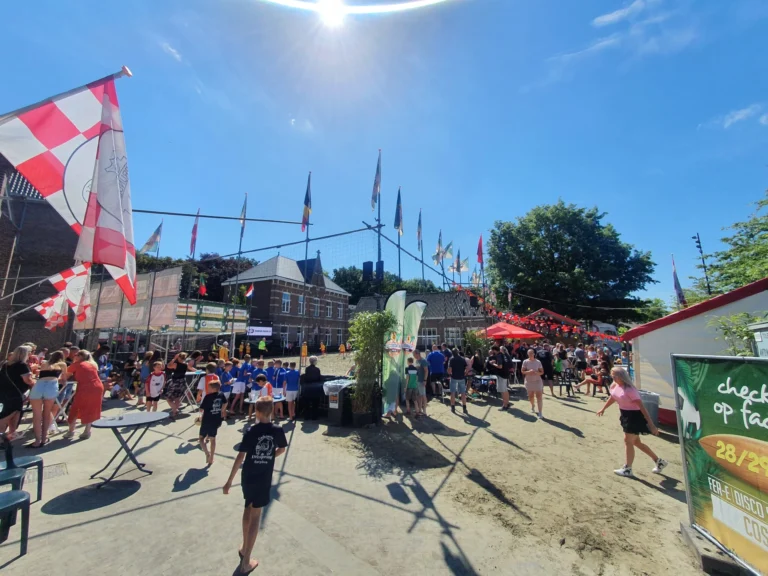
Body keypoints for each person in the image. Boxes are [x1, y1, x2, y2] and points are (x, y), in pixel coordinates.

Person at [223, 397, 287, 575]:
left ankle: (244, 547)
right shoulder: (277, 430)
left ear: (257, 412)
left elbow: (240, 457)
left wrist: (229, 481)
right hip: (262, 477)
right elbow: (281, 449)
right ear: (272, 411)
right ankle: (246, 561)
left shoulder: (251, 431)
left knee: (247, 507)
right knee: (256, 516)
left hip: (248, 476)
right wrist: (269, 455)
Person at [597, 368, 668, 477]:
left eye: (615, 376)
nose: (613, 378)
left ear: (622, 376)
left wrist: (651, 425)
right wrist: (603, 408)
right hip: (625, 415)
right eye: (612, 376)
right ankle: (659, 461)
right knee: (636, 442)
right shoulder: (615, 386)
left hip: (634, 417)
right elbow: (613, 397)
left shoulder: (630, 390)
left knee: (627, 441)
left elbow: (642, 408)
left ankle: (628, 468)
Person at [28, 350, 67, 447]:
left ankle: (37, 441)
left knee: (36, 415)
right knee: (46, 413)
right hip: (51, 386)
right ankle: (44, 438)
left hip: (39, 386)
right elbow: (64, 380)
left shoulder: (44, 363)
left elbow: (40, 374)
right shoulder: (62, 364)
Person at [65, 350, 104, 439]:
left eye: (76, 355)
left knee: (75, 408)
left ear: (80, 356)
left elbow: (65, 375)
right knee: (91, 408)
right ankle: (87, 431)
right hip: (97, 387)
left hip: (85, 388)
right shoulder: (93, 364)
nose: (75, 356)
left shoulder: (77, 364)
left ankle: (71, 431)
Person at [0, 346, 35, 441]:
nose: (30, 354)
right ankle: (2, 440)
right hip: (15, 394)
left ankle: (11, 434)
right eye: (30, 352)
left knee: (16, 413)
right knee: (5, 417)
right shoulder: (22, 365)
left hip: (4, 392)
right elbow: (27, 380)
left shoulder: (6, 365)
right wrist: (34, 382)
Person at [199, 380, 227, 466]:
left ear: (213, 388)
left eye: (209, 387)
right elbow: (225, 403)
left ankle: (207, 453)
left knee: (200, 438)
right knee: (213, 439)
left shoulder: (207, 396)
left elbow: (201, 409)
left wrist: (200, 416)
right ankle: (212, 458)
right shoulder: (221, 394)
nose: (208, 388)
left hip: (207, 420)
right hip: (216, 419)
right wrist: (222, 410)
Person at [165, 352, 190, 420]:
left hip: (175, 382)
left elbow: (168, 366)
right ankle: (174, 413)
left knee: (168, 398)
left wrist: (174, 358)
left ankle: (175, 411)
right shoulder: (185, 365)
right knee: (177, 398)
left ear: (179, 357)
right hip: (182, 382)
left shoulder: (176, 364)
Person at [521, 348, 544, 419]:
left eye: (531, 353)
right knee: (531, 396)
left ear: (534, 354)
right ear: (527, 354)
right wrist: (528, 372)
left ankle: (540, 412)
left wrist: (537, 373)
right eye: (529, 353)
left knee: (539, 397)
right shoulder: (525, 361)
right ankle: (533, 405)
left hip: (537, 381)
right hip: (529, 381)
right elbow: (522, 371)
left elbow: (542, 372)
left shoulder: (538, 362)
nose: (530, 354)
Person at [447, 347, 468, 415]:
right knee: (463, 393)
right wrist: (465, 373)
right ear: (458, 352)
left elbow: (449, 369)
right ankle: (464, 408)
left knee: (452, 392)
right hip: (461, 377)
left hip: (454, 377)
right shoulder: (462, 359)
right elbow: (467, 368)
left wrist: (450, 373)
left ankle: (453, 407)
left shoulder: (452, 359)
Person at [488, 345, 510, 411]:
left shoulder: (498, 356)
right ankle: (507, 403)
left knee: (502, 391)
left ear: (494, 350)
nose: (492, 352)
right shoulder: (503, 354)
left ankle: (505, 405)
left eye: (492, 351)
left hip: (501, 375)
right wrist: (495, 362)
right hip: (506, 373)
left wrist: (493, 364)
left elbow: (500, 366)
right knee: (505, 389)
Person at [413, 349, 429, 417]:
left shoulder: (423, 361)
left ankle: (424, 411)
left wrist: (425, 380)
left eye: (414, 355)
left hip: (422, 381)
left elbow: (426, 371)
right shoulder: (417, 361)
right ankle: (419, 409)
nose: (414, 356)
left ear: (417, 354)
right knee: (419, 396)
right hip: (417, 381)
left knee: (423, 395)